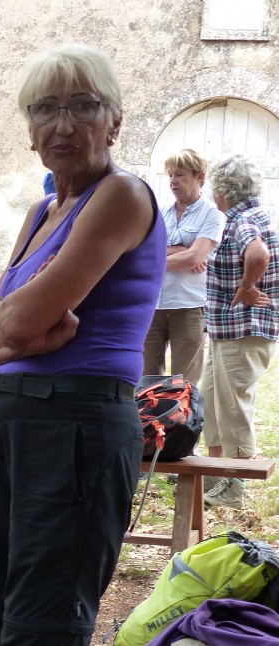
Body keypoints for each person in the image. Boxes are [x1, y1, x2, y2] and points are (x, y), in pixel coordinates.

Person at [0, 44, 166, 646]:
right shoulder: (42, 208)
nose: (64, 122)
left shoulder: (122, 194)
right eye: (47, 107)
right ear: (28, 128)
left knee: (39, 643)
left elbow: (9, 324)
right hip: (6, 423)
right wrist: (11, 332)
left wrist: (9, 330)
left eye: (84, 105)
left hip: (75, 427)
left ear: (114, 121)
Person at [201, 154, 279, 508]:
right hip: (226, 330)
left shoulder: (243, 220)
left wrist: (247, 287)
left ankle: (236, 485)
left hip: (244, 330)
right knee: (212, 400)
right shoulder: (247, 216)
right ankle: (219, 475)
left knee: (232, 406)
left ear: (223, 189)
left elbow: (258, 253)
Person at [143, 149, 224, 383]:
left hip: (189, 306)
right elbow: (141, 251)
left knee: (184, 384)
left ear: (200, 177)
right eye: (170, 175)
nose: (173, 181)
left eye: (180, 175)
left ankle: (180, 422)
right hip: (155, 304)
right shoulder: (160, 211)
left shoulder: (212, 214)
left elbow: (193, 258)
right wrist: (180, 252)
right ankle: (151, 421)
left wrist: (186, 255)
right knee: (147, 381)